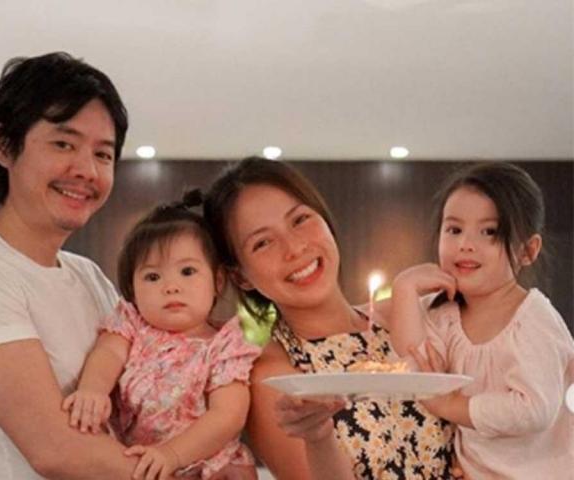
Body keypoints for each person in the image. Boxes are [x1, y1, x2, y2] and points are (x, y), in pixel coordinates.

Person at [0, 52, 141, 479]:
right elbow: (56, 449)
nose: (86, 170)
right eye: (63, 144)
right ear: (3, 144)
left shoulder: (88, 276)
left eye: (103, 155)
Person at [203, 157, 456, 480]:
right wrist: (318, 438)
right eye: (263, 242)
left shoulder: (402, 314)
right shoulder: (275, 377)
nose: (294, 248)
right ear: (241, 277)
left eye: (300, 219)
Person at [387, 162, 574, 479]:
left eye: (490, 232)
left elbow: (534, 409)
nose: (465, 244)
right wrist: (404, 289)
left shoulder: (533, 318)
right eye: (454, 230)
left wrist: (451, 405)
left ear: (527, 251)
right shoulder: (444, 314)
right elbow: (412, 367)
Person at [62, 192, 261, 480]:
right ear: (132, 289)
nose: (171, 287)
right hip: (137, 464)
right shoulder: (131, 324)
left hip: (211, 466)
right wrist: (93, 390)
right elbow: (107, 353)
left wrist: (171, 454)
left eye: (187, 271)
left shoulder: (226, 345)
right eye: (153, 277)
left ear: (217, 281)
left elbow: (227, 416)